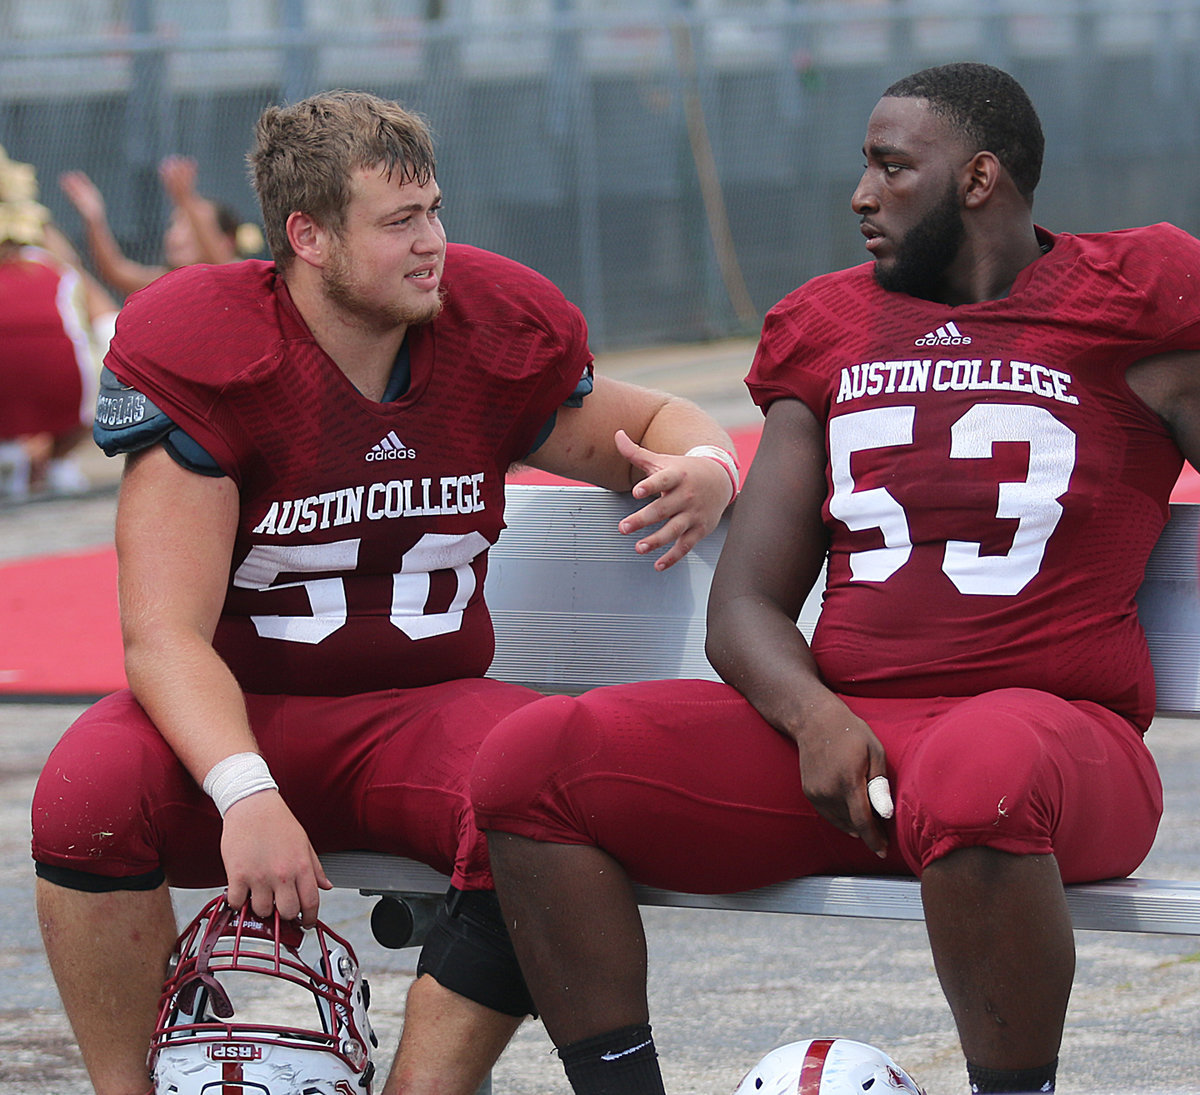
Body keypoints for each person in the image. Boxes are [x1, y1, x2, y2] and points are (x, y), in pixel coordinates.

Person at [471, 61, 1200, 1095]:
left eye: (892, 167)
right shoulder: (832, 326)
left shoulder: (1135, 299)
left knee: (978, 769)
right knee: (531, 762)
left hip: (1055, 752)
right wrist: (814, 716)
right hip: (846, 750)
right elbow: (747, 607)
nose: (860, 195)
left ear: (981, 178)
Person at [29, 89, 739, 1095]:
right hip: (246, 712)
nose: (434, 243)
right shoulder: (213, 348)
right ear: (306, 236)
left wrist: (708, 463)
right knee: (83, 795)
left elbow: (660, 420)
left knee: (544, 799)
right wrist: (246, 793)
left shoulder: (489, 331)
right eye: (399, 222)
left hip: (424, 710)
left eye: (436, 212)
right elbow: (162, 636)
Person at [0, 144, 115, 495]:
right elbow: (103, 310)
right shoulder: (52, 256)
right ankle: (37, 459)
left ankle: (25, 459)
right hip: (73, 381)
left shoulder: (49, 254)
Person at [59, 154, 247, 296]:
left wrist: (185, 199)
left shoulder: (243, 281)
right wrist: (94, 218)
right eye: (174, 225)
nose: (177, 236)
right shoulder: (170, 281)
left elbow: (220, 261)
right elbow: (117, 271)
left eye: (191, 226)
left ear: (227, 242)